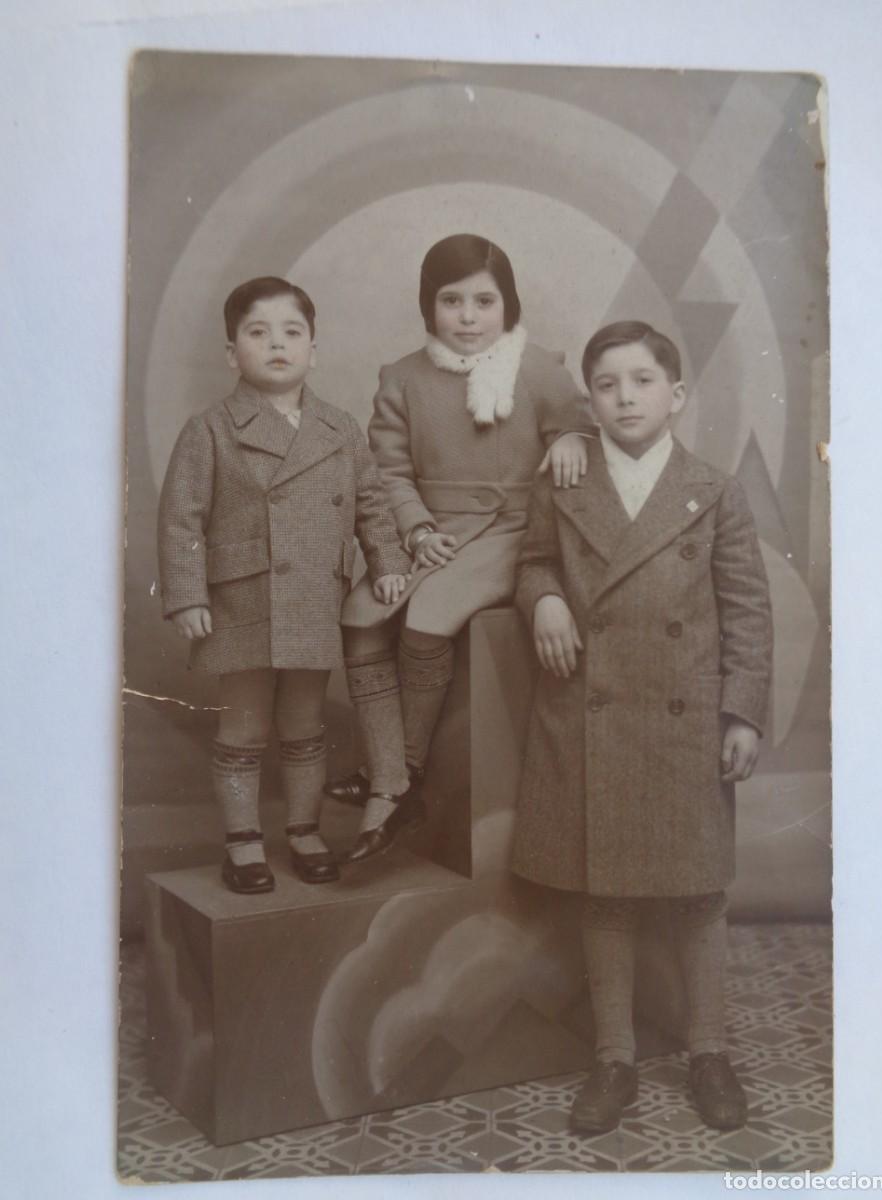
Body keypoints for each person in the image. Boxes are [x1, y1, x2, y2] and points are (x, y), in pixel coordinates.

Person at [513, 320, 773, 1133]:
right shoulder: (564, 482)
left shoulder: (714, 488)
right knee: (607, 898)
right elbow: (532, 561)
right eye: (607, 385)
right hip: (593, 711)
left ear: (676, 395)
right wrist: (545, 598)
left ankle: (709, 1052)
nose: (625, 397)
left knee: (698, 894)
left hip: (685, 718)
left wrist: (742, 713)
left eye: (643, 381)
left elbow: (747, 610)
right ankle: (613, 1060)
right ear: (588, 401)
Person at [328, 233, 596, 863]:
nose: (469, 317)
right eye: (452, 301)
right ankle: (390, 771)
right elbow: (387, 472)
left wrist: (572, 440)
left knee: (425, 622)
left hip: (510, 529)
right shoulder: (403, 378)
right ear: (429, 308)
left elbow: (580, 424)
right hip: (433, 530)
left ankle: (401, 778)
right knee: (361, 620)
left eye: (484, 301)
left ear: (509, 307)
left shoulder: (538, 368)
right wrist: (417, 529)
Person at [157, 276, 410, 894]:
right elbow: (181, 516)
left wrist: (387, 563)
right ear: (231, 352)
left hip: (311, 600)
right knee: (242, 730)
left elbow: (372, 505)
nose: (277, 345)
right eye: (258, 332)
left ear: (313, 350)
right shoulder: (210, 429)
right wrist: (188, 594)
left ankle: (304, 830)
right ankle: (243, 842)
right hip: (241, 598)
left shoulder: (341, 429)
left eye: (293, 332)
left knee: (304, 726)